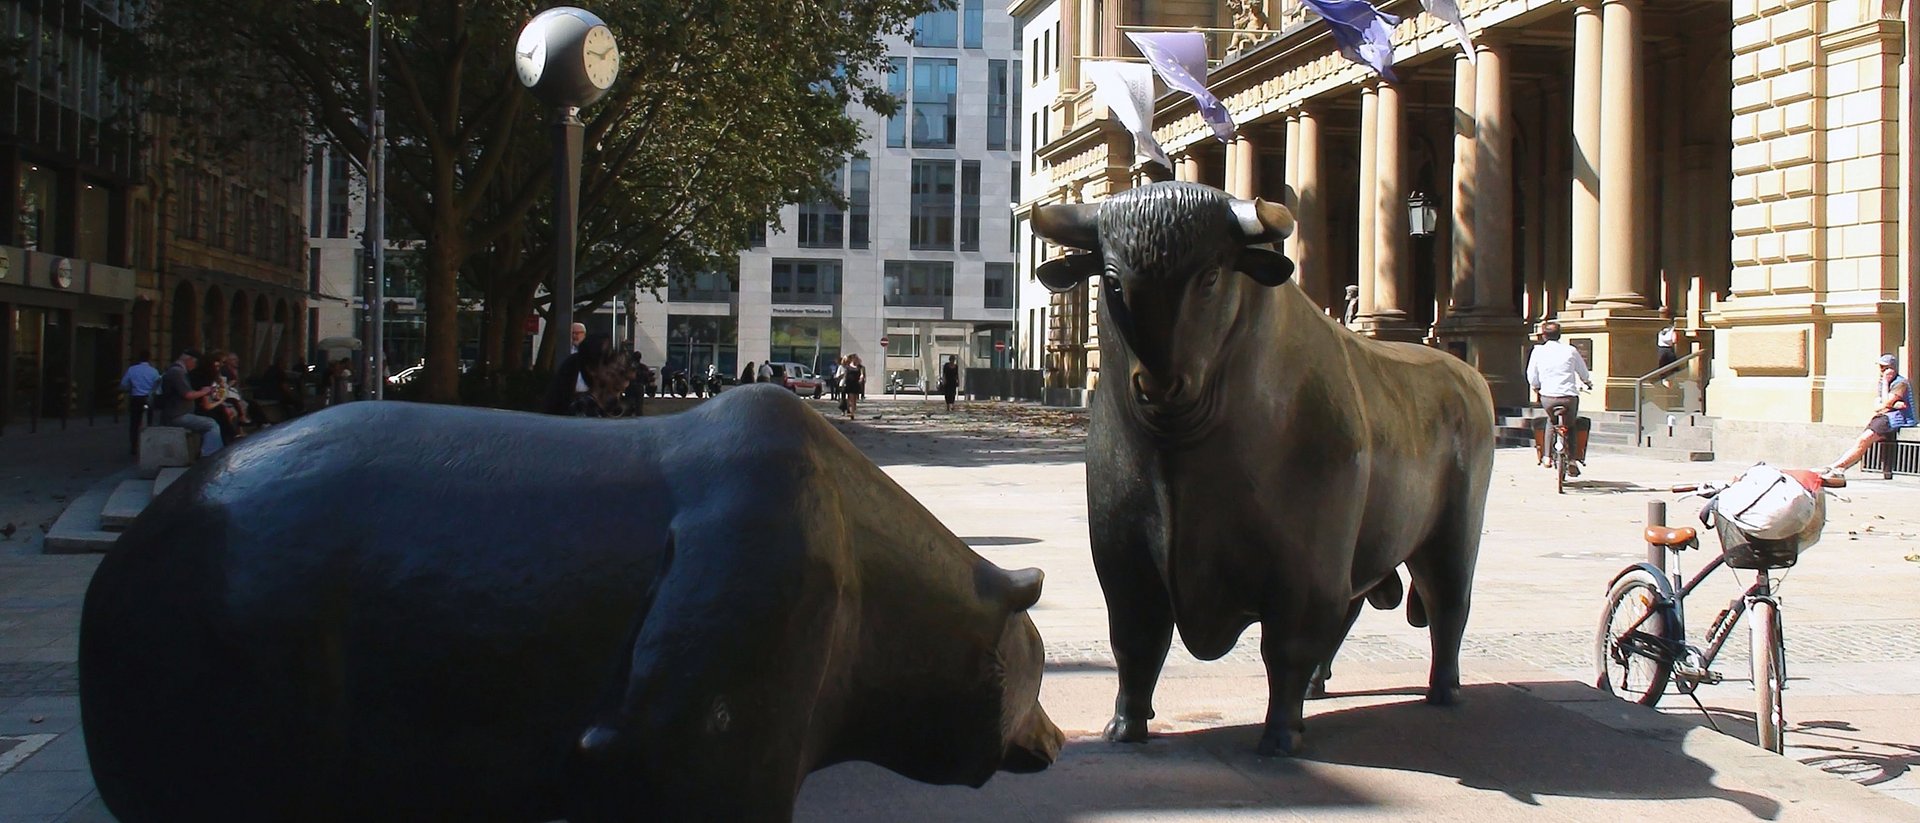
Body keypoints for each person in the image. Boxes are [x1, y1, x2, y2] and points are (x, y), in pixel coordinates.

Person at [1820, 354, 1913, 478]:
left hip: (1896, 419)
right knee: (1862, 441)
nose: (1882, 371)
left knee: (1864, 440)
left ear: (1893, 369)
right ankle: (1838, 467)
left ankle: (1837, 467)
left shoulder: (1900, 383)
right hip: (1884, 417)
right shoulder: (1882, 383)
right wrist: (1889, 403)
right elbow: (1878, 406)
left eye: (1885, 368)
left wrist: (1886, 387)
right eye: (1880, 367)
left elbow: (1885, 403)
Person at [1525, 320, 1593, 476]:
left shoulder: (1538, 351)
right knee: (1571, 424)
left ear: (1543, 336)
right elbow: (1582, 371)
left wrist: (1536, 386)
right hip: (1569, 396)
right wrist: (1587, 382)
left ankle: (1547, 457)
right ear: (1559, 335)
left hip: (1548, 397)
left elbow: (1532, 375)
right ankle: (1572, 460)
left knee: (1551, 421)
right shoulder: (1570, 350)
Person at [155, 349, 222, 457]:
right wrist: (204, 391)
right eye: (195, 363)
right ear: (189, 360)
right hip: (177, 415)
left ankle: (208, 452)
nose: (195, 366)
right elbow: (188, 394)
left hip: (178, 413)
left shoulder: (177, 371)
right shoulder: (177, 372)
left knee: (211, 420)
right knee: (211, 425)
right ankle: (209, 455)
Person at [545, 333, 616, 415]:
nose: (617, 364)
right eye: (610, 358)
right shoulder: (583, 410)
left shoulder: (616, 405)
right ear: (592, 369)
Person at [119, 351, 161, 456]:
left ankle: (134, 447)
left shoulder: (132, 370)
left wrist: (130, 389)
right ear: (149, 359)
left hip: (136, 398)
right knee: (149, 422)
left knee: (134, 423)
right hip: (148, 399)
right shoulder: (153, 371)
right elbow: (158, 386)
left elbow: (124, 384)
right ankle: (148, 445)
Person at [841, 354, 866, 419]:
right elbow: (845, 375)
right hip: (849, 384)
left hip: (856, 384)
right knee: (851, 398)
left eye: (857, 359)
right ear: (852, 359)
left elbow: (862, 374)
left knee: (855, 399)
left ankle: (852, 410)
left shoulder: (859, 367)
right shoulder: (848, 367)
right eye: (855, 358)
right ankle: (851, 412)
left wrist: (861, 378)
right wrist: (843, 383)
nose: (856, 360)